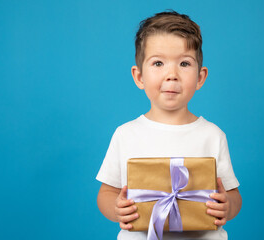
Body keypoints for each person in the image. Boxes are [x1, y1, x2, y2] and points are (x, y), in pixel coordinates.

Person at [96, 10, 242, 240]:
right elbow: (107, 192)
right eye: (158, 63)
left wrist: (228, 206)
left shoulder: (212, 135)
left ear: (200, 77)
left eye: (184, 63)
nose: (171, 74)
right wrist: (116, 208)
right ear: (139, 77)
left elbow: (233, 194)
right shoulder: (125, 134)